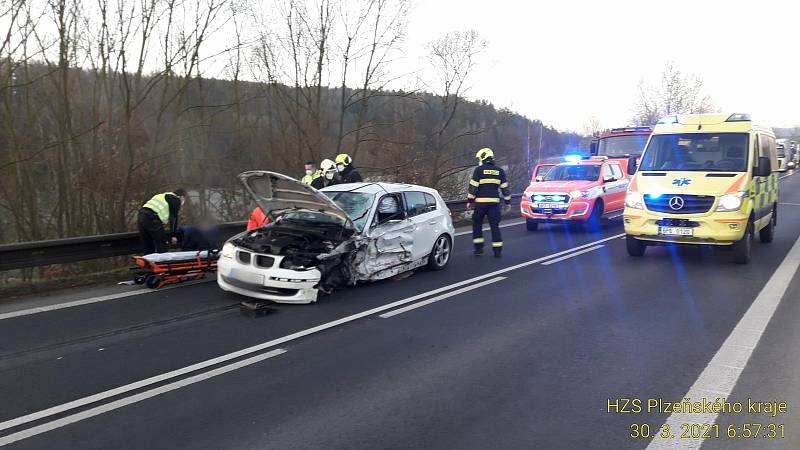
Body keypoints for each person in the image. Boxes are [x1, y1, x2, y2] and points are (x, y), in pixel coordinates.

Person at [467, 148, 511, 257]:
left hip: (481, 204)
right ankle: (497, 251)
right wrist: (507, 202)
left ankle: (478, 249)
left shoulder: (478, 170)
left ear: (483, 157)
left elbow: (473, 187)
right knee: (494, 226)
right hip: (494, 204)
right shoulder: (500, 171)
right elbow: (505, 188)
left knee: (477, 224)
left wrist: (470, 201)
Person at [138, 189, 188, 254]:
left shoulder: (161, 196)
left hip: (141, 216)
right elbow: (173, 219)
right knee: (161, 242)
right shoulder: (176, 199)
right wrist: (173, 235)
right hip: (152, 217)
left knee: (147, 243)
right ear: (182, 197)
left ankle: (148, 261)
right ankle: (163, 262)